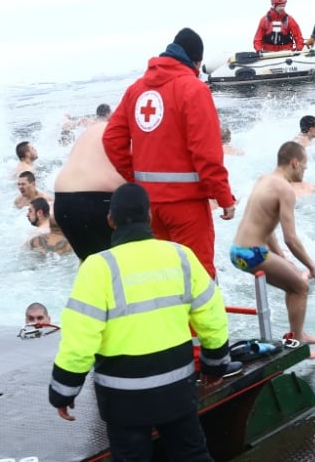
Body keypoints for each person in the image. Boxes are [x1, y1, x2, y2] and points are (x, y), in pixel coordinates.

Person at [49, 183, 234, 462]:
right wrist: (215, 364)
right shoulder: (181, 256)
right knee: (192, 454)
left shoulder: (98, 267)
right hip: (177, 389)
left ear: (110, 221)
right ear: (149, 218)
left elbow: (80, 339)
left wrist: (64, 390)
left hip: (123, 398)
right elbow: (212, 317)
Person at [103, 28, 237, 279]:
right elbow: (207, 153)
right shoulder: (193, 89)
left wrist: (135, 180)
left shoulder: (136, 90)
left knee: (162, 279)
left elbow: (111, 139)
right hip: (186, 206)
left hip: (149, 207)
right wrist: (224, 197)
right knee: (196, 279)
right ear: (196, 61)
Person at [230, 142, 315, 346]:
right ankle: (299, 340)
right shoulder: (286, 190)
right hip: (253, 253)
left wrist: (281, 259)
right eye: (304, 166)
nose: (304, 170)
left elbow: (268, 228)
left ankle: (297, 333)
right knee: (301, 286)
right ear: (294, 162)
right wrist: (313, 267)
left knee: (292, 284)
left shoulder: (263, 179)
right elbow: (290, 238)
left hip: (237, 251)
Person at [54, 120, 127, 261]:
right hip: (97, 199)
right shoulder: (129, 130)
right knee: (118, 264)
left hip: (62, 202)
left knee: (89, 264)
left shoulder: (92, 130)